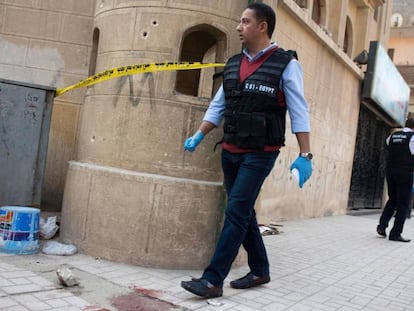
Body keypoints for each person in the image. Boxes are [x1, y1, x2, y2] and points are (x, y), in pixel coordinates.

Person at [180, 3, 312, 298]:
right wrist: (198, 135)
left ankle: (213, 280)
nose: (239, 27)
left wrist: (305, 154)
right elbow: (219, 105)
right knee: (243, 211)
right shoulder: (233, 63)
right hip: (230, 149)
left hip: (261, 152)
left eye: (245, 22)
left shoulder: (285, 64)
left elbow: (299, 111)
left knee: (236, 210)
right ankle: (260, 269)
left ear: (262, 26)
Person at [376, 118, 414, 242]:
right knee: (403, 203)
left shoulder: (392, 136)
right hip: (405, 172)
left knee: (392, 199)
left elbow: (389, 147)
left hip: (391, 171)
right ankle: (395, 233)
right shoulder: (412, 138)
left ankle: (382, 226)